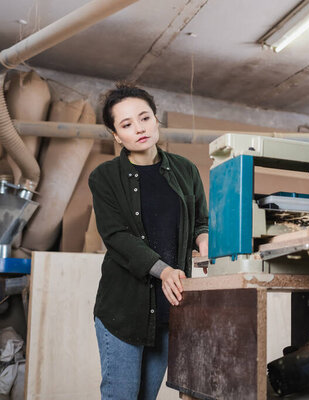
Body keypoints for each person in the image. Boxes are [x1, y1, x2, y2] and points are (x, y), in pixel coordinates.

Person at [89, 82, 209, 399]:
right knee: (122, 394)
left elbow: (200, 222)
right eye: (126, 124)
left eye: (144, 118)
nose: (139, 129)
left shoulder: (186, 170)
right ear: (116, 135)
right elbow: (116, 237)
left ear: (156, 119)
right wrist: (164, 270)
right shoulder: (104, 177)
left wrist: (206, 244)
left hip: (170, 309)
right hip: (123, 311)